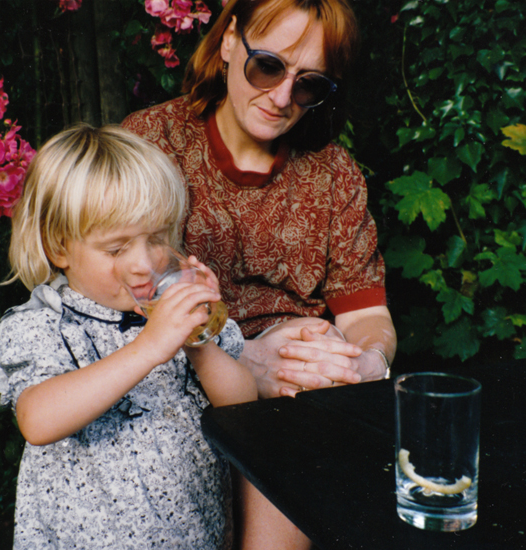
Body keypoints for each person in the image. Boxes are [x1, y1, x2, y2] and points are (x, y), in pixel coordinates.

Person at [122, 0, 397, 547]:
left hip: (303, 395)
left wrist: (363, 363)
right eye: (267, 65)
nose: (281, 98)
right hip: (188, 372)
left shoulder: (333, 173)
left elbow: (367, 315)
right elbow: (118, 301)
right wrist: (245, 360)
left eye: (309, 84)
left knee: (296, 440)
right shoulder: (152, 144)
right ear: (228, 41)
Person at [0, 124, 257, 549]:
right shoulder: (43, 324)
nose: (144, 263)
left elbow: (242, 405)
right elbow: (38, 421)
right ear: (59, 249)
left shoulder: (174, 316)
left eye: (157, 238)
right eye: (116, 249)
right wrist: (149, 347)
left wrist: (197, 341)